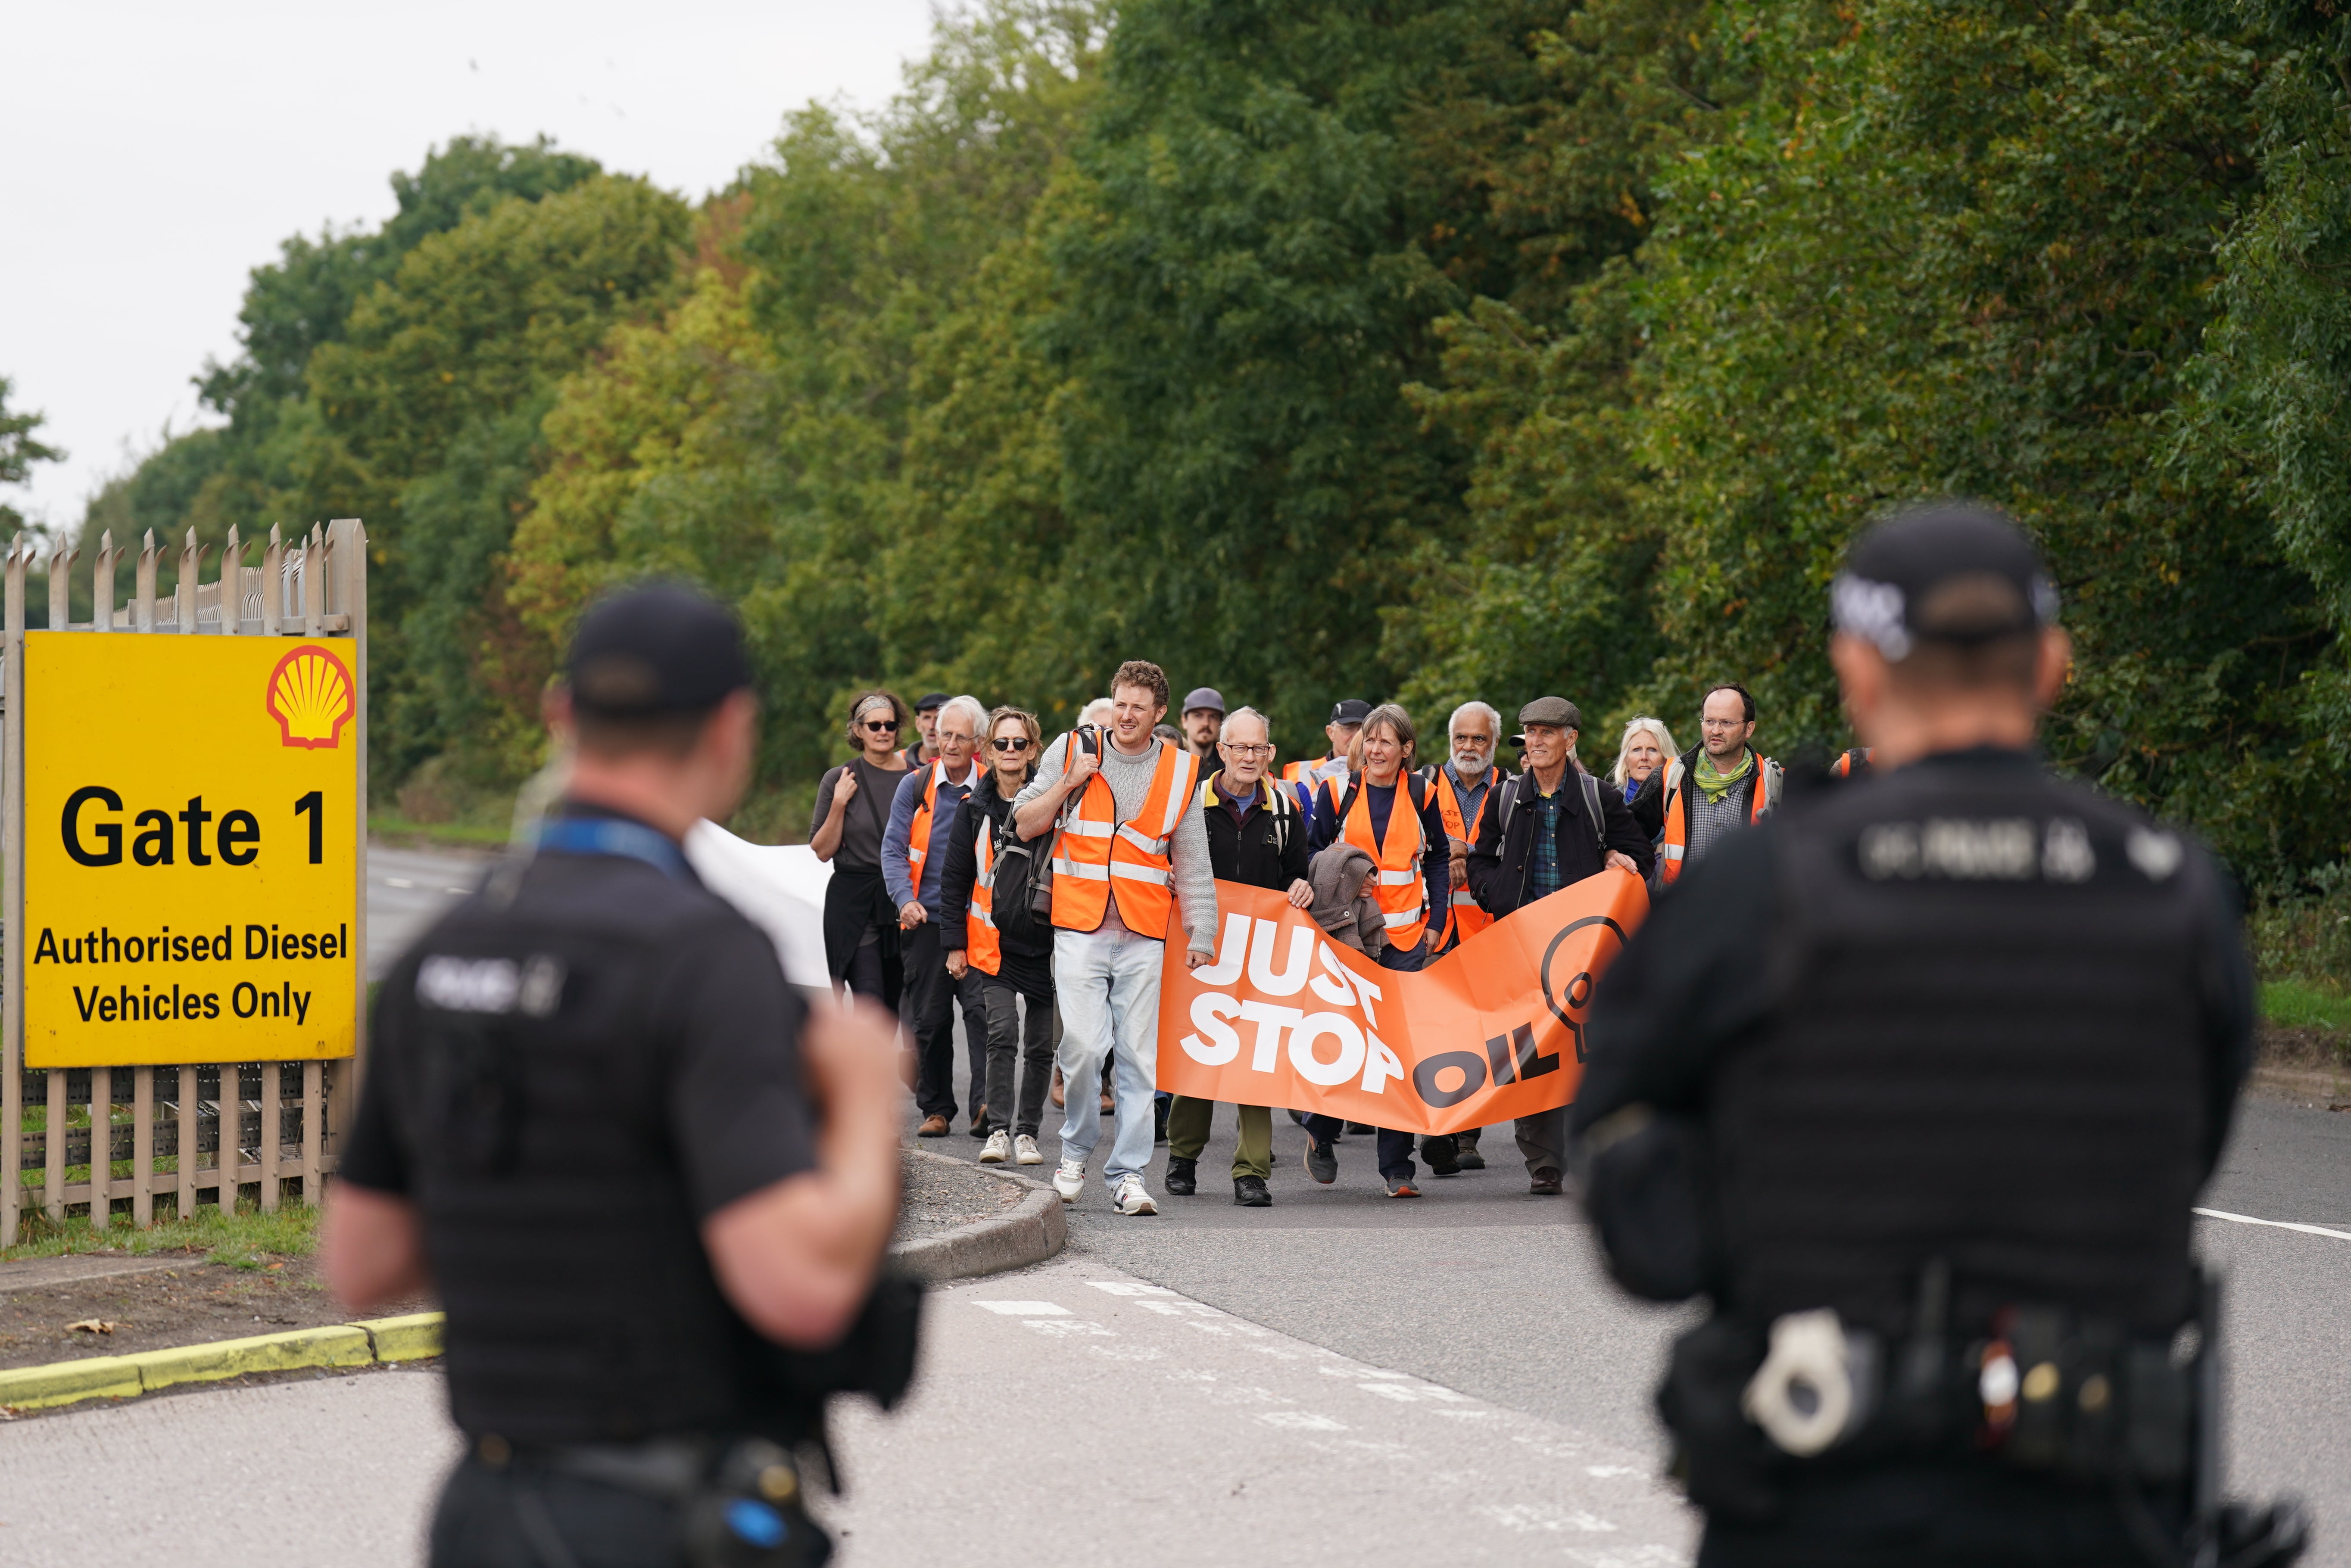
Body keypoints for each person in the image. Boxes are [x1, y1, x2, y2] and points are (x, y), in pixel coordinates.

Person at [1571, 504, 2307, 1568]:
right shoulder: (2171, 895)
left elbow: (1635, 1216)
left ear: (1857, 672)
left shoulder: (1762, 890)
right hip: (2093, 1508)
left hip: (1818, 1504)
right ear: (2049, 667)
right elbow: (2184, 1148)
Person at [321, 584, 904, 1568]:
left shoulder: (443, 954)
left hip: (485, 1509)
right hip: (658, 1513)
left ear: (561, 717)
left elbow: (361, 1265)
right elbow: (797, 1288)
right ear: (732, 733)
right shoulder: (706, 958)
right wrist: (859, 1102)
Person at [1013, 660, 1217, 1217]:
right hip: (1079, 925)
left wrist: (1204, 931)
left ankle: (1128, 1174)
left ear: (1159, 714)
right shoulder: (1073, 749)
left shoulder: (1181, 771)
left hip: (1144, 932)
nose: (1126, 716)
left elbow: (1193, 856)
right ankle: (1075, 1150)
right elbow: (1026, 822)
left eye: (1138, 708)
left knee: (1137, 1061)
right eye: (1120, 704)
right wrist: (1069, 781)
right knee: (1081, 1047)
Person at [1459, 697, 1651, 1193]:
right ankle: (1543, 1161)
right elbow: (1480, 859)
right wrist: (1493, 894)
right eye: (1529, 733)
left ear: (1570, 739)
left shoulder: (1597, 797)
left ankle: (1593, 1147)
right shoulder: (1505, 797)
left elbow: (1640, 856)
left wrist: (1614, 854)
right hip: (1522, 946)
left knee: (1583, 1050)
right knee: (1532, 1052)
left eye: (1547, 732)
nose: (1537, 742)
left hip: (1584, 950)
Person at [1299, 703, 1450, 1198]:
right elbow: (1310, 855)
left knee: (1397, 1050)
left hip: (1406, 940)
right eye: (1369, 740)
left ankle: (1396, 1167)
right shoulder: (1335, 791)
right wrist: (1346, 875)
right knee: (1345, 1039)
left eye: (1387, 741)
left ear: (1406, 749)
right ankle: (1321, 1132)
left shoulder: (1422, 792)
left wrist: (1437, 923)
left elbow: (1440, 858)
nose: (1375, 749)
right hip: (1349, 938)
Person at [1165, 706, 1310, 1207]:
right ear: (1221, 751)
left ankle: (1251, 1172)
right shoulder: (1191, 802)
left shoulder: (1285, 809)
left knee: (1257, 1062)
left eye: (1258, 748)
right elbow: (1166, 861)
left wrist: (1301, 888)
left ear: (1270, 754)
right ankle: (1182, 1157)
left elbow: (1298, 873)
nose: (1249, 757)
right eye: (1240, 747)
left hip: (1262, 954)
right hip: (1200, 951)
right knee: (1201, 1056)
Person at [939, 706, 1055, 1168]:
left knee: (1042, 1045)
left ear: (1033, 751)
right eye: (1001, 743)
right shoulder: (972, 811)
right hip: (992, 944)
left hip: (1047, 944)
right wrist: (953, 945)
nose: (1010, 751)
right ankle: (1000, 1130)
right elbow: (953, 881)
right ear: (987, 751)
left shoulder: (1056, 805)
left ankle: (1028, 1132)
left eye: (1019, 743)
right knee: (1002, 1034)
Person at [883, 694, 990, 1138]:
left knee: (983, 1013)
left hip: (979, 921)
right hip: (925, 920)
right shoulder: (915, 785)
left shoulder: (993, 785)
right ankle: (936, 1108)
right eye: (944, 734)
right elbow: (891, 849)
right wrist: (904, 899)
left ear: (977, 742)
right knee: (929, 1019)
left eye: (959, 737)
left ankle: (986, 1105)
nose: (949, 744)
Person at [811, 691, 911, 1007]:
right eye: (874, 725)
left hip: (899, 900)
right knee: (870, 1000)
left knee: (892, 1008)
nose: (883, 731)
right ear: (858, 730)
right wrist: (839, 803)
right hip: (854, 903)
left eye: (890, 725)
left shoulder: (916, 779)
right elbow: (823, 850)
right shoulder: (839, 779)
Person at [1635, 682, 1782, 887]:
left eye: (1727, 723)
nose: (1716, 730)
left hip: (1748, 914)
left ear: (1749, 729)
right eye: (1709, 721)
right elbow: (1629, 834)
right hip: (1682, 910)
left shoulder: (1774, 784)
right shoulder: (1671, 776)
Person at [1282, 697, 1368, 819]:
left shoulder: (1383, 774)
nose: (1357, 737)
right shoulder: (1298, 772)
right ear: (1331, 733)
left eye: (1364, 730)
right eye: (1349, 728)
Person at [1609, 716, 1679, 806]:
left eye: (1652, 750)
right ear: (1626, 760)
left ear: (1666, 759)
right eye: (1637, 750)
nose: (1644, 757)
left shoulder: (1679, 801)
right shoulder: (1612, 803)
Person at [901, 692, 949, 768]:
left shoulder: (966, 765)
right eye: (927, 718)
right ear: (918, 724)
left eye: (938, 718)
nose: (931, 726)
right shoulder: (898, 761)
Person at [1179, 687, 1226, 761]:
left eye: (1213, 717)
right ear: (1184, 721)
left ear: (1221, 724)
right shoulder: (1174, 761)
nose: (1206, 723)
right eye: (1198, 716)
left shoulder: (1229, 764)